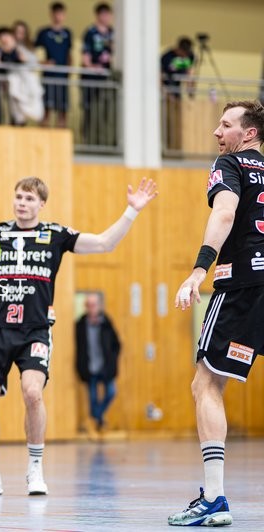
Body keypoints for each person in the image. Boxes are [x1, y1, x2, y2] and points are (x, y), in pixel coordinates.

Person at [0, 175, 157, 497]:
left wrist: (131, 211)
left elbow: (104, 243)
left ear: (41, 204)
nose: (22, 203)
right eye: (18, 197)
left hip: (35, 331)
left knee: (32, 393)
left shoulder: (54, 235)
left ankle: (35, 469)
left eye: (29, 199)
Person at [168, 100, 264, 527]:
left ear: (248, 134)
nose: (216, 132)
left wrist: (198, 271)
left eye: (225, 125)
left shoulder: (231, 165)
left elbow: (224, 212)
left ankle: (215, 498)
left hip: (242, 283)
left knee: (205, 383)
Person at [75, 292, 121, 430]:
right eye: (88, 305)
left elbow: (117, 344)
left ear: (99, 306)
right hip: (90, 367)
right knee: (93, 398)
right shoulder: (80, 324)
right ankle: (98, 421)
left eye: (93, 305)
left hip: (105, 366)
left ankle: (96, 417)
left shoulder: (107, 322)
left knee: (111, 392)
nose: (91, 308)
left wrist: (112, 360)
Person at [80, 3, 115, 147]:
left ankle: (106, 142)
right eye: (104, 14)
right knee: (89, 111)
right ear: (98, 15)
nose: (106, 17)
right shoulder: (90, 32)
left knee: (107, 111)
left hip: (108, 79)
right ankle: (88, 141)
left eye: (108, 14)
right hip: (92, 79)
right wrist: (92, 66)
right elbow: (85, 56)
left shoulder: (113, 33)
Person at [34, 2, 72, 128]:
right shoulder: (44, 33)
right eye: (55, 13)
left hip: (63, 78)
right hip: (48, 77)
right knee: (47, 109)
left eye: (60, 13)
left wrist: (69, 71)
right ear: (51, 14)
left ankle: (61, 139)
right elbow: (35, 53)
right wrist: (43, 63)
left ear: (64, 15)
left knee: (63, 110)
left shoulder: (67, 33)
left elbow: (69, 54)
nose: (58, 16)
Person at [161, 37, 195, 152]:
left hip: (177, 91)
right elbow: (160, 77)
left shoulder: (190, 56)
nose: (184, 56)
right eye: (183, 53)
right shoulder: (166, 57)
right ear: (178, 49)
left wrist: (190, 91)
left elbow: (190, 74)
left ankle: (177, 145)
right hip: (166, 91)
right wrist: (166, 93)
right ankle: (167, 146)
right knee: (168, 120)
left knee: (177, 120)